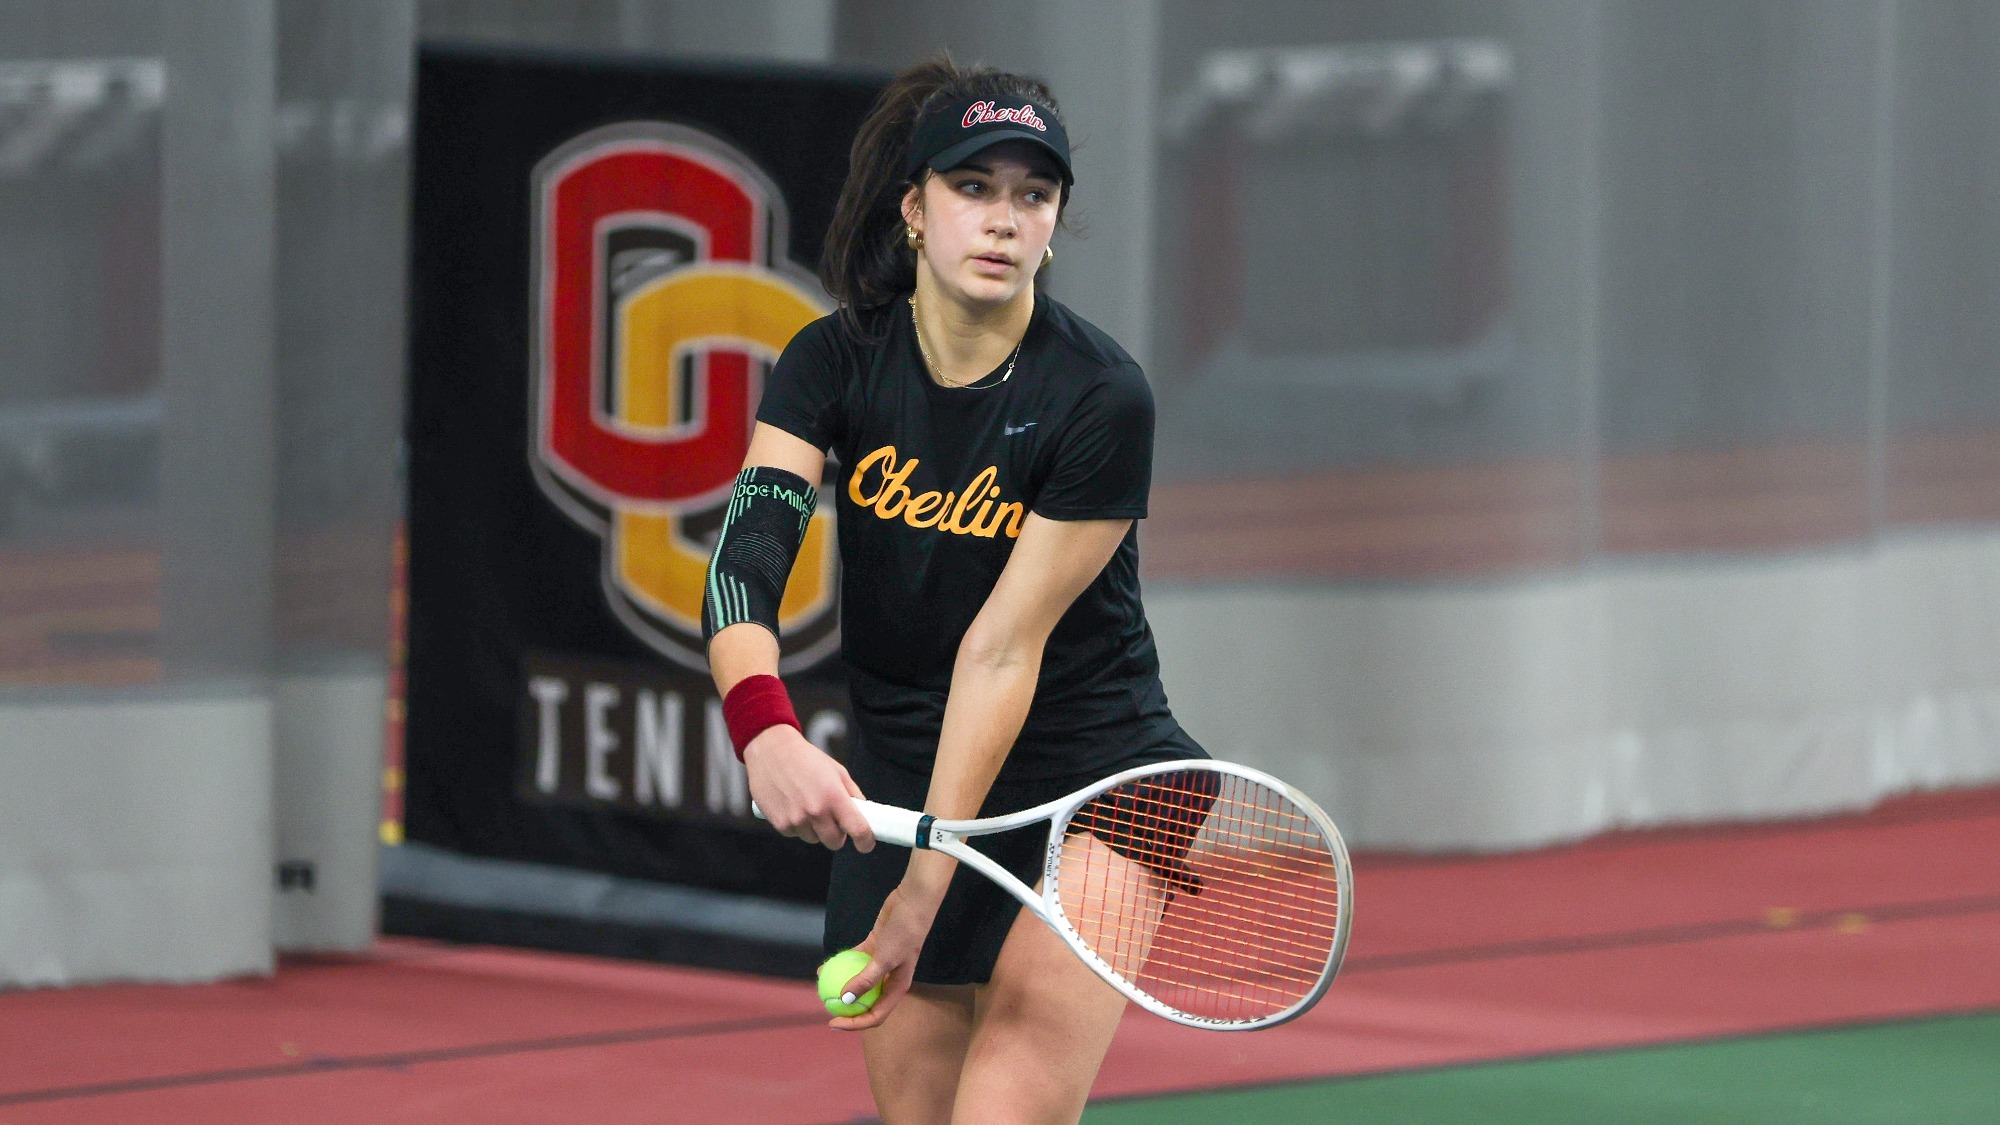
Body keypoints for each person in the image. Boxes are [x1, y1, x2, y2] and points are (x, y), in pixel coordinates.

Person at [703, 55, 1207, 1125]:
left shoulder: (1100, 398)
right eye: (972, 188)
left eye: (1031, 195)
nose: (1001, 219)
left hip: (1096, 786)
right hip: (906, 782)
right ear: (914, 210)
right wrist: (764, 733)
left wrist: (920, 892)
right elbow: (744, 561)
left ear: (1055, 222)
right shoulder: (830, 365)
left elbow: (1000, 650)